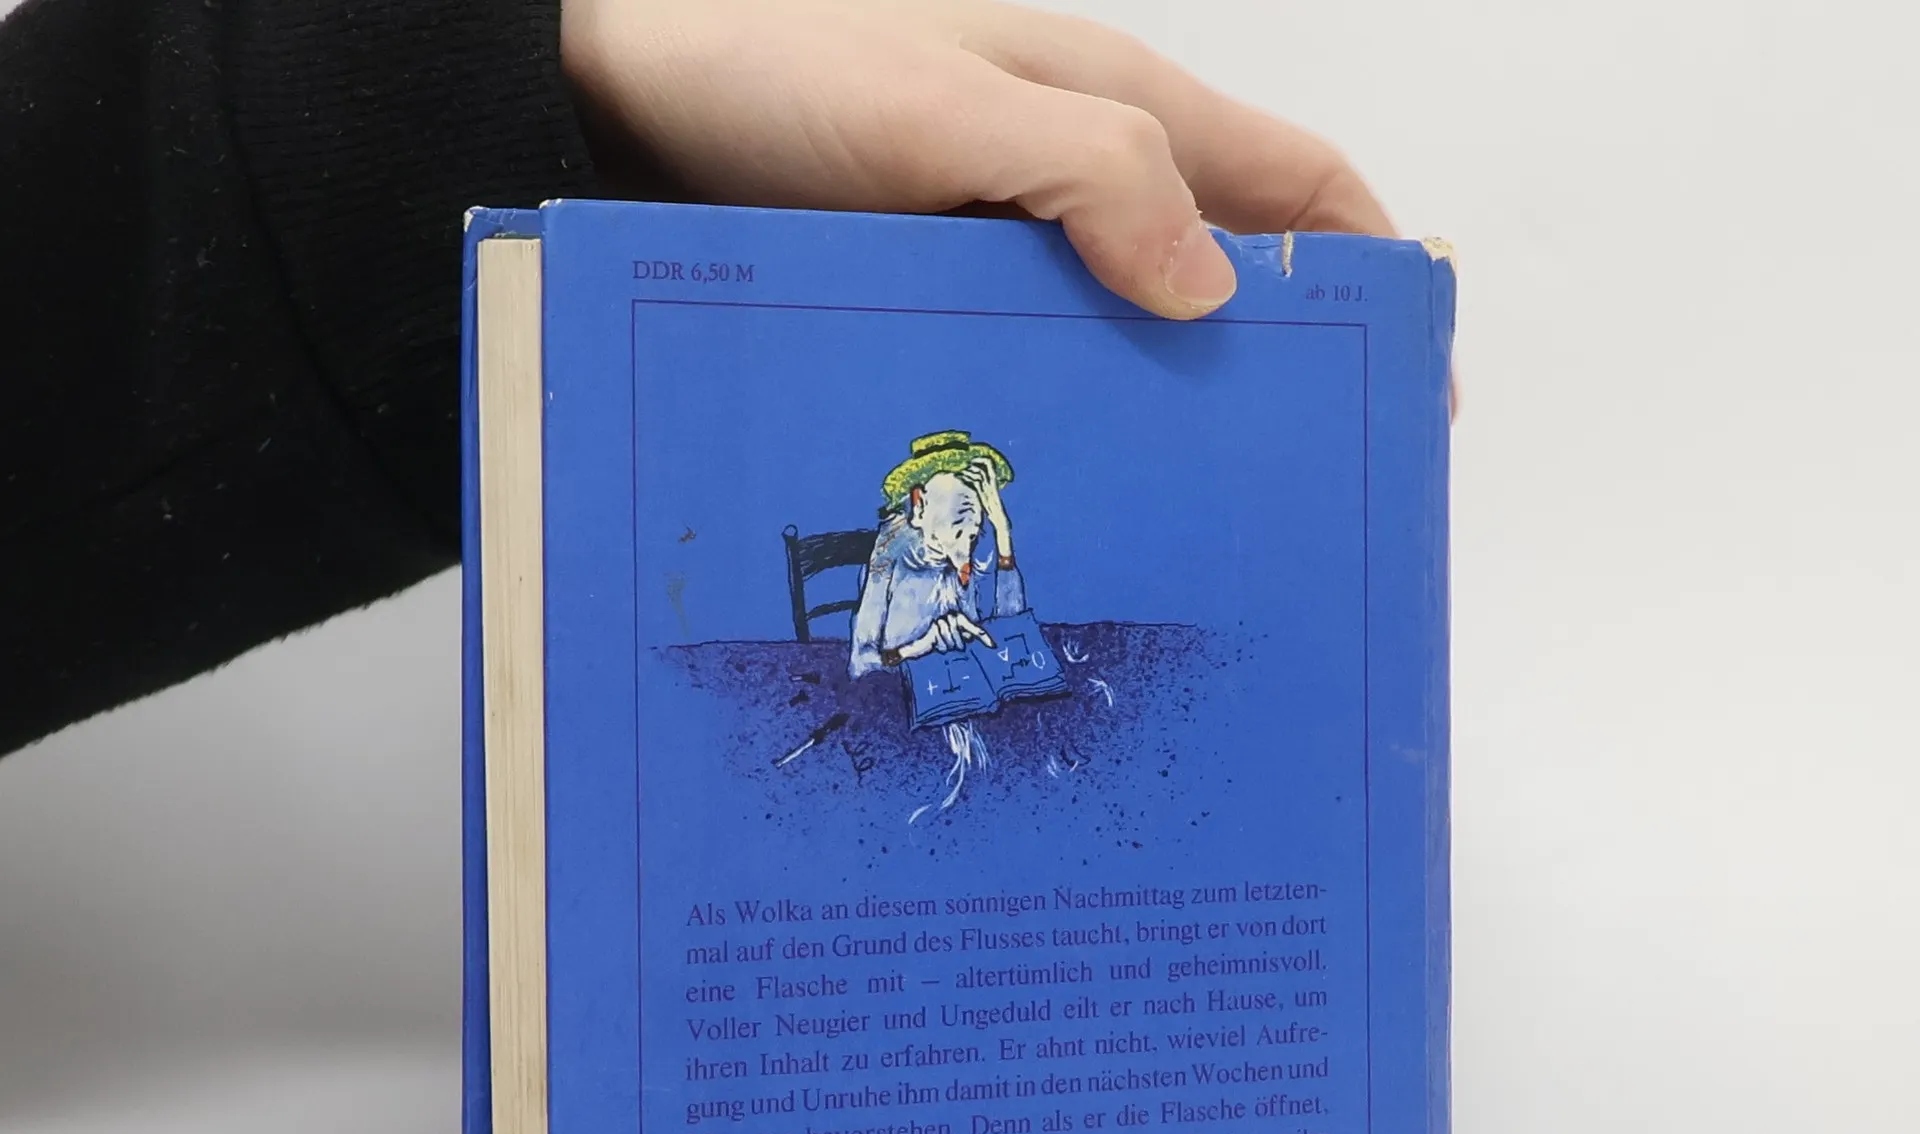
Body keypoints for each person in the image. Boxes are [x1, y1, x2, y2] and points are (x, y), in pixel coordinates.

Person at [0, 0, 1398, 757]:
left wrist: (576, 93)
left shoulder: (979, 543)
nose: (964, 514)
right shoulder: (902, 554)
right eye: (954, 500)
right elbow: (886, 629)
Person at [850, 434, 1025, 676]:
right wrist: (918, 648)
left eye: (973, 534)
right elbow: (861, 665)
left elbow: (1014, 635)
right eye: (957, 528)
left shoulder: (962, 558)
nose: (966, 549)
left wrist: (1003, 532)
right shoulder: (888, 558)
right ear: (919, 504)